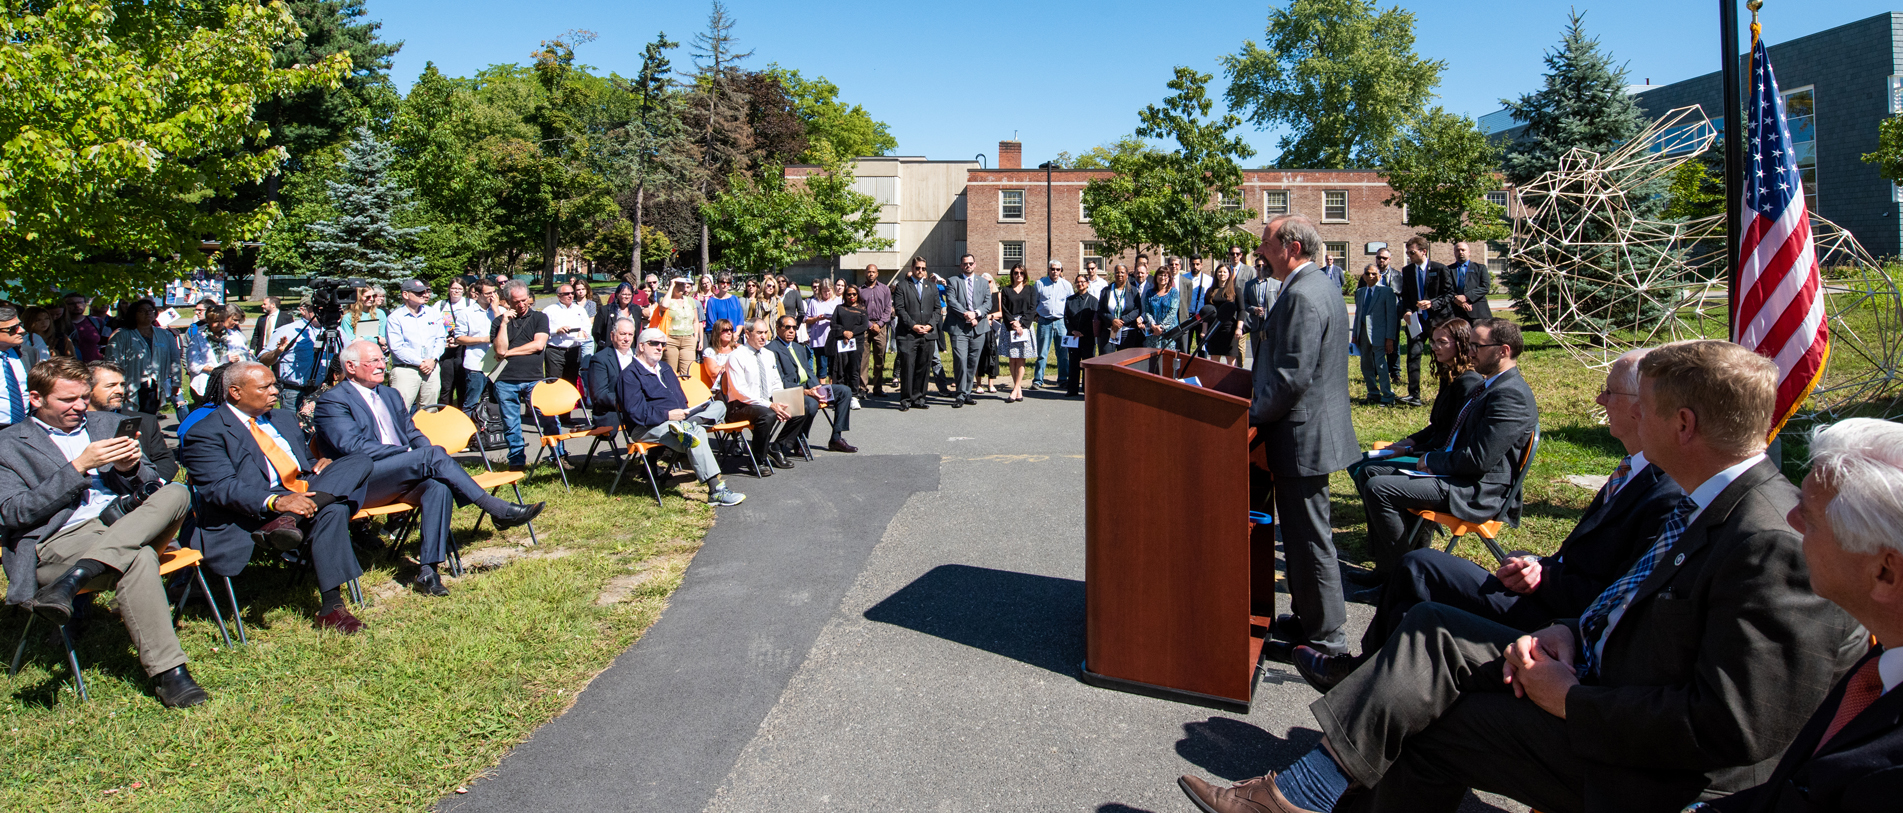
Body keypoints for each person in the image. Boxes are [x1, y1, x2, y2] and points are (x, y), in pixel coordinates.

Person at [1179, 340, 1865, 813]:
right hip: (1597, 674)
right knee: (1431, 632)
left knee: (1438, 720)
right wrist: (1571, 630)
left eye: (1642, 405)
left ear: (1682, 424)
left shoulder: (1768, 539)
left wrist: (1570, 697)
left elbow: (1734, 730)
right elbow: (1642, 604)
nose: (1610, 411)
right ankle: (1300, 793)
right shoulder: (1711, 501)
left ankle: (1299, 793)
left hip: (1657, 770)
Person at [1300, 350, 1683, 692]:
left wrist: (1544, 576)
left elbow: (1616, 595)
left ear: (1641, 406)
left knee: (1416, 569)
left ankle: (1360, 678)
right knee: (1412, 576)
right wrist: (1537, 562)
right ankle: (1366, 683)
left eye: (1610, 392)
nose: (1600, 399)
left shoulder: (1666, 491)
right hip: (1542, 579)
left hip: (1553, 610)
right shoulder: (1634, 468)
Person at [1696, 418, 1903, 812]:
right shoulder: (1883, 663)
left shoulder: (1891, 778)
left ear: (1885, 572)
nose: (1790, 520)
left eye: (1810, 516)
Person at [0, 357, 201, 706]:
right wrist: (78, 467)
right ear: (36, 398)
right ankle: (171, 675)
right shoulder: (9, 444)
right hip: (61, 538)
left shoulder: (108, 423)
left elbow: (151, 483)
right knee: (137, 557)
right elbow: (14, 513)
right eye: (67, 400)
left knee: (177, 492)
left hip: (125, 521)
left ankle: (77, 578)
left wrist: (131, 468)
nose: (79, 407)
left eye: (82, 397)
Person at [313, 341, 544, 596]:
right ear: (350, 367)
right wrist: (414, 454)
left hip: (401, 475)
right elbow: (354, 447)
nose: (382, 365)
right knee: (430, 456)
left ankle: (428, 571)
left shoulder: (389, 394)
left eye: (383, 359)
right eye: (374, 361)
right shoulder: (332, 401)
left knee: (437, 487)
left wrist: (424, 452)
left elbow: (412, 432)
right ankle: (496, 509)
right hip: (363, 483)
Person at [180, 362, 376, 634]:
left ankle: (289, 521)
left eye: (275, 385)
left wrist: (319, 464)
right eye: (265, 387)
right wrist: (275, 502)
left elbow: (303, 461)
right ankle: (332, 606)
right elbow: (219, 487)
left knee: (359, 461)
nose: (275, 391)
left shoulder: (282, 418)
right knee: (333, 510)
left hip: (300, 493)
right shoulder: (205, 432)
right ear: (235, 392)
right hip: (251, 509)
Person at [1352, 318, 1539, 583]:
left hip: (1475, 489)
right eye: (1471, 344)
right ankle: (1387, 569)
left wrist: (1428, 459)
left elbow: (1478, 460)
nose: (1471, 351)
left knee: (1379, 488)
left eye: (1478, 345)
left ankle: (1403, 579)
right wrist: (1422, 453)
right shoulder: (1490, 385)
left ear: (1504, 350)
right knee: (1371, 472)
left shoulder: (1510, 395)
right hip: (1456, 474)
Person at [1250, 214, 1359, 664]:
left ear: (1291, 247)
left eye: (1266, 243)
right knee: (1299, 537)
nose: (1260, 251)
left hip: (1302, 435)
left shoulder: (1304, 293)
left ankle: (1327, 641)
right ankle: (1308, 619)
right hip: (1307, 431)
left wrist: (1248, 418)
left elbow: (1291, 377)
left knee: (1310, 540)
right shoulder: (1315, 285)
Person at [616, 328, 745, 506]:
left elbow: (681, 399)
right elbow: (635, 412)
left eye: (663, 344)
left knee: (718, 405)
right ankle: (716, 490)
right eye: (654, 343)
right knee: (696, 432)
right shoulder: (629, 375)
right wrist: (667, 415)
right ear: (641, 346)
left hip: (679, 419)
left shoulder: (666, 369)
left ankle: (684, 426)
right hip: (647, 426)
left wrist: (686, 412)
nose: (660, 348)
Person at [767, 315, 857, 454]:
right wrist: (805, 391)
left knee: (844, 391)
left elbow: (809, 371)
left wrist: (817, 387)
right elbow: (780, 381)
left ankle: (836, 438)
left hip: (810, 388)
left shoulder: (799, 348)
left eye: (794, 328)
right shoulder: (771, 350)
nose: (791, 331)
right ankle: (799, 439)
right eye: (787, 327)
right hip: (789, 392)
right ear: (778, 329)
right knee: (811, 403)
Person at [490, 281, 551, 469]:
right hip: (506, 380)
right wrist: (504, 323)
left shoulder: (540, 318)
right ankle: (516, 460)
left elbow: (538, 345)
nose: (522, 305)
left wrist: (508, 353)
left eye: (525, 300)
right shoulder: (498, 322)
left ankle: (559, 454)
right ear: (507, 301)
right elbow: (499, 348)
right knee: (511, 423)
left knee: (548, 416)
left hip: (533, 377)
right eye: (516, 302)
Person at [721, 318, 794, 474]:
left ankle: (776, 447)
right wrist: (769, 405)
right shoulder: (736, 356)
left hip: (765, 403)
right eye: (759, 333)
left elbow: (776, 382)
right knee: (767, 414)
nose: (764, 337)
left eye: (766, 333)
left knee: (803, 406)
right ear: (747, 334)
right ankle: (756, 460)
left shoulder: (768, 355)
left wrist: (781, 401)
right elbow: (740, 391)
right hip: (741, 406)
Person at [85, 361, 178, 481]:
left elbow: (164, 460)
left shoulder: (144, 421)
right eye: (111, 386)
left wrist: (153, 486)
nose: (120, 391)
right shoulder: (74, 425)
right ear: (87, 389)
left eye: (122, 385)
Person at [1397, 236, 1449, 406]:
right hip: (1416, 321)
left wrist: (1432, 303)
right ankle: (1414, 395)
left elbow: (1450, 294)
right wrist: (1407, 310)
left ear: (1423, 251)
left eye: (1412, 252)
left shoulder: (1440, 269)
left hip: (1437, 321)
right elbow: (1405, 295)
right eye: (1407, 253)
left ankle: (1444, 395)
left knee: (1441, 358)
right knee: (1413, 356)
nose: (1409, 256)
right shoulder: (1407, 271)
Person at [106, 299, 180, 416]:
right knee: (130, 418)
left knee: (149, 418)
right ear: (134, 314)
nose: (147, 313)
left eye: (150, 310)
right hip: (130, 385)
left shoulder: (165, 335)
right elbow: (112, 363)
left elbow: (175, 359)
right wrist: (116, 385)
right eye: (142, 311)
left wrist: (176, 381)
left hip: (155, 385)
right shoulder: (121, 335)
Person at [386, 278, 445, 412]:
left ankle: (426, 434)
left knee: (430, 411)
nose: (424, 295)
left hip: (431, 367)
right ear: (405, 295)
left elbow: (440, 338)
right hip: (406, 370)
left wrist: (433, 359)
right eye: (418, 293)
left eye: (425, 292)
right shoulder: (395, 318)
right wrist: (420, 362)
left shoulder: (432, 313)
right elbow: (396, 347)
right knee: (400, 410)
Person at [892, 256, 943, 411]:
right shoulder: (902, 286)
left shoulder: (931, 287)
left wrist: (930, 325)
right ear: (912, 268)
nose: (920, 271)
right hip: (908, 334)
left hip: (927, 334)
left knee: (923, 366)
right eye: (917, 268)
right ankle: (906, 399)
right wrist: (913, 326)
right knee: (908, 366)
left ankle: (919, 398)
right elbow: (900, 309)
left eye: (923, 268)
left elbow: (937, 309)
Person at [942, 254, 993, 408]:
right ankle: (960, 394)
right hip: (959, 328)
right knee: (960, 361)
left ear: (975, 264)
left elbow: (988, 303)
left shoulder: (983, 282)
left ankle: (967, 392)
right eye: (965, 264)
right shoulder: (952, 281)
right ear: (961, 265)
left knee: (973, 362)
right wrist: (967, 314)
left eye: (971, 263)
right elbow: (951, 301)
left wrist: (976, 314)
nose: (968, 266)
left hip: (978, 328)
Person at [1352, 265, 1399, 406]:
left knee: (1381, 366)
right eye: (1368, 273)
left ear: (1379, 276)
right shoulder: (1360, 292)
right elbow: (1357, 314)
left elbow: (1392, 317)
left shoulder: (1386, 292)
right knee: (1366, 365)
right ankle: (1373, 393)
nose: (1371, 276)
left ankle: (1387, 396)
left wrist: (1389, 338)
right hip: (1363, 334)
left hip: (1380, 334)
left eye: (1374, 274)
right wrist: (1355, 335)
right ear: (1363, 276)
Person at [450, 279, 498, 413]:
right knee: (472, 401)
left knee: (495, 401)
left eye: (494, 292)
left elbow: (506, 331)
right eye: (488, 293)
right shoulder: (466, 313)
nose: (492, 296)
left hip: (497, 363)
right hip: (476, 364)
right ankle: (470, 432)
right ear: (477, 294)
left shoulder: (499, 310)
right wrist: (483, 339)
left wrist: (495, 310)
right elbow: (459, 338)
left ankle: (492, 430)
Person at [649, 278, 701, 379]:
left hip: (688, 340)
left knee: (688, 372)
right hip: (671, 339)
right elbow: (663, 306)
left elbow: (695, 321)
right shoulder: (666, 300)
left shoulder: (690, 301)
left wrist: (695, 337)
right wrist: (672, 285)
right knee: (670, 372)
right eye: (678, 285)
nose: (681, 287)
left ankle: (686, 394)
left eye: (683, 285)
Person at [999, 264, 1037, 402]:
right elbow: (1004, 309)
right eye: (1016, 273)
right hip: (1010, 326)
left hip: (1024, 326)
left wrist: (1022, 324)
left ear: (1025, 274)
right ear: (1012, 274)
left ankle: (1015, 389)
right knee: (1012, 358)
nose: (1018, 275)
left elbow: (1032, 309)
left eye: (1021, 273)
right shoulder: (1006, 290)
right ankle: (1018, 389)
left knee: (1021, 357)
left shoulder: (1031, 290)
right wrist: (1014, 324)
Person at [1032, 261, 1073, 388]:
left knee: (1063, 352)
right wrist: (1036, 316)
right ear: (1048, 270)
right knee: (1042, 353)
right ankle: (1038, 380)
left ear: (1061, 270)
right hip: (1044, 321)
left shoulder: (1066, 285)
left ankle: (1063, 379)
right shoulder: (1040, 284)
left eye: (1057, 269)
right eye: (1052, 269)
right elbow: (1033, 302)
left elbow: (1070, 304)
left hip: (1061, 323)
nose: (1055, 272)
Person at [542, 282, 592, 385]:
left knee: (570, 383)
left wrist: (584, 333)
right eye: (567, 293)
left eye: (572, 293)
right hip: (555, 351)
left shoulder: (580, 310)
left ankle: (570, 402)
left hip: (574, 351)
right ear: (559, 295)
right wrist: (556, 331)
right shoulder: (549, 310)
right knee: (554, 383)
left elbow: (587, 326)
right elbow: (542, 330)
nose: (570, 296)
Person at [1060, 270, 1100, 397]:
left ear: (1087, 283)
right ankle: (1072, 389)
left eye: (1082, 282)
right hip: (1073, 336)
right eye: (1077, 282)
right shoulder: (1070, 300)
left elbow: (1094, 318)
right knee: (1073, 363)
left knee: (1087, 363)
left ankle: (1087, 389)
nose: (1080, 284)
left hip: (1087, 337)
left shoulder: (1093, 300)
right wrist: (1073, 330)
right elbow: (1066, 318)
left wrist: (1083, 332)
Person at [860, 264, 894, 398]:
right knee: (864, 359)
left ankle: (878, 387)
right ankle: (862, 388)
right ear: (865, 273)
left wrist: (879, 324)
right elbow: (860, 310)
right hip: (865, 327)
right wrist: (869, 324)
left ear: (877, 273)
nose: (871, 274)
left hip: (881, 327)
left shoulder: (885, 289)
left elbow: (888, 308)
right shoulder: (860, 290)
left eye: (873, 272)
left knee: (879, 359)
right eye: (869, 272)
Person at [831, 285, 868, 406]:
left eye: (854, 294)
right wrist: (843, 333)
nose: (851, 297)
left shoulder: (862, 309)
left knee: (854, 368)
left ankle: (854, 395)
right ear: (844, 295)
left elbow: (864, 325)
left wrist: (852, 333)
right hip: (841, 342)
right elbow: (833, 323)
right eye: (849, 294)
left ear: (857, 295)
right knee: (840, 368)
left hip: (856, 342)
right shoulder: (839, 308)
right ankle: (840, 395)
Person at [1241, 257, 1281, 361]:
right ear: (1255, 267)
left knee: (1271, 353)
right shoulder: (1249, 285)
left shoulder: (1276, 284)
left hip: (1271, 324)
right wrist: (1254, 309)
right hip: (1256, 325)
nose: (1261, 268)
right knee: (1257, 354)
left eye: (1263, 265)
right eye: (1258, 265)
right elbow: (1244, 303)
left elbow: (1281, 303)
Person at [1098, 264, 1141, 357]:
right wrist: (1112, 320)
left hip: (1127, 331)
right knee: (1106, 359)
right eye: (1117, 272)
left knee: (1125, 361)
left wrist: (1122, 320)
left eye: (1122, 272)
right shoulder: (1106, 291)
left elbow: (1137, 309)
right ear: (1114, 274)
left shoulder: (1133, 291)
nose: (1119, 274)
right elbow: (1100, 309)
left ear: (1127, 275)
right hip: (1109, 330)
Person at [803, 279, 840, 383]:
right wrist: (817, 318)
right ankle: (823, 389)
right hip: (819, 338)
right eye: (824, 291)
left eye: (829, 291)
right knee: (822, 366)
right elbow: (807, 319)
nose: (827, 294)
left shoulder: (837, 301)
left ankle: (832, 389)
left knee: (833, 366)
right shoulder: (814, 301)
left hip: (833, 338)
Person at [1205, 264, 1243, 366]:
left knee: (1230, 359)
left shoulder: (1236, 290)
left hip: (1229, 329)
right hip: (1214, 329)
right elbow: (1206, 313)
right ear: (1216, 274)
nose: (1222, 274)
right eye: (1220, 272)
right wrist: (1204, 331)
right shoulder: (1210, 291)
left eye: (1225, 272)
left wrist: (1239, 328)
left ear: (1229, 274)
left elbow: (1241, 310)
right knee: (1214, 359)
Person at [1445, 242, 1492, 321]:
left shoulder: (1480, 268)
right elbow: (1445, 288)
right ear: (1454, 253)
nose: (1460, 252)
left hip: (1477, 311)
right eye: (1457, 250)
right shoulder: (1448, 269)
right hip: (1455, 312)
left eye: (1463, 250)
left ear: (1469, 252)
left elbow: (1485, 287)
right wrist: (1457, 300)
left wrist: (1466, 296)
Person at [1176, 256, 1214, 354]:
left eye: (1197, 264)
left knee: (1202, 346)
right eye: (1193, 264)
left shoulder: (1208, 280)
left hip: (1202, 317)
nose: (1195, 267)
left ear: (1201, 265)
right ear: (1189, 265)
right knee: (1185, 347)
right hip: (1187, 317)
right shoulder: (1183, 278)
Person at [1140, 261, 1181, 350]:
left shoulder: (1174, 292)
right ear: (1156, 277)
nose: (1163, 277)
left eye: (1166, 275)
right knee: (1153, 358)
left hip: (1169, 332)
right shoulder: (1149, 293)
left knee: (1167, 358)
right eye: (1160, 275)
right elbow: (1147, 311)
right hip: (1153, 332)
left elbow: (1172, 312)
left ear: (1169, 278)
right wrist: (1154, 326)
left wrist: (1161, 327)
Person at [703, 274, 746, 352]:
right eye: (723, 282)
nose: (725, 285)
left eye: (728, 282)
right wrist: (725, 336)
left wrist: (736, 334)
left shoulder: (735, 299)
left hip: (735, 337)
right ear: (718, 284)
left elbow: (740, 319)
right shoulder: (712, 301)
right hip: (719, 339)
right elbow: (712, 323)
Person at [593, 282, 641, 351]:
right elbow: (596, 332)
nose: (627, 297)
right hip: (610, 349)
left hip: (630, 349)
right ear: (617, 295)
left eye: (629, 294)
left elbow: (637, 330)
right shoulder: (605, 310)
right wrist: (603, 344)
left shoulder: (636, 310)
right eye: (624, 294)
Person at [700, 319, 741, 389]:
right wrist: (731, 364)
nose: (729, 333)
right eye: (725, 330)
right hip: (721, 389)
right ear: (717, 332)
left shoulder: (739, 349)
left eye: (731, 330)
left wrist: (724, 367)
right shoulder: (710, 352)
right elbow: (714, 373)